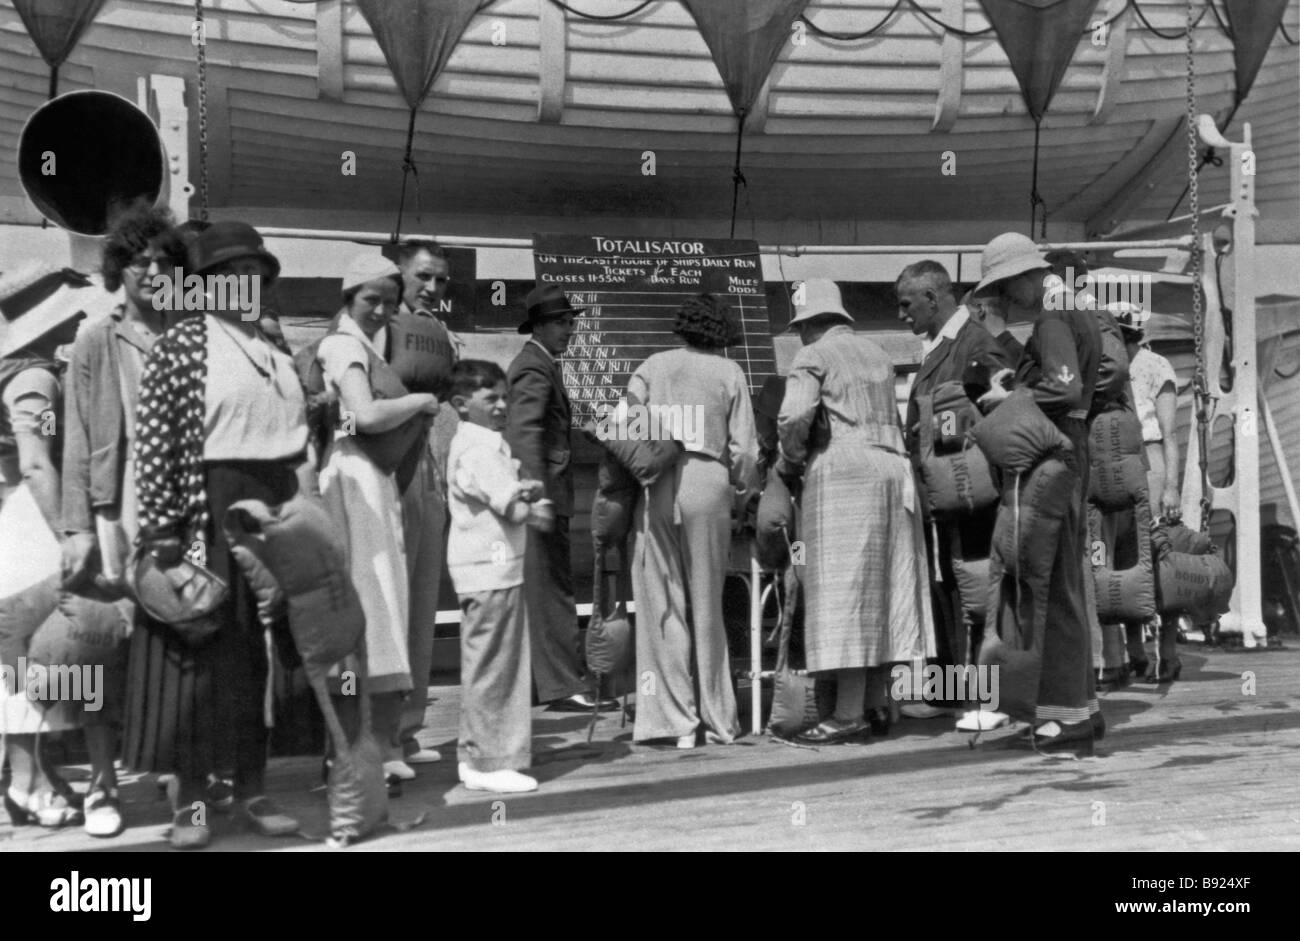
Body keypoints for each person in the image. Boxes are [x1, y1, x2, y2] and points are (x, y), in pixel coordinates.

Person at [131, 221, 311, 848]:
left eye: (258, 276)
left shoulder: (274, 351)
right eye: (235, 275)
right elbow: (154, 446)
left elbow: (294, 450)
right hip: (203, 512)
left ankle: (254, 790)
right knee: (201, 658)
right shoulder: (181, 344)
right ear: (206, 285)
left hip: (268, 515)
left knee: (260, 657)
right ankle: (193, 805)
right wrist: (163, 543)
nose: (248, 286)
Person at [60, 207, 198, 837]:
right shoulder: (95, 337)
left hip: (181, 509)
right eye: (139, 259)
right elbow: (77, 437)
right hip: (117, 509)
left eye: (164, 260)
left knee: (179, 641)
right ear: (120, 268)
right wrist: (78, 528)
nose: (151, 269)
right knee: (100, 642)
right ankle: (102, 783)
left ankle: (178, 778)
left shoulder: (194, 332)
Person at [778, 280, 933, 745]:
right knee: (885, 588)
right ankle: (875, 704)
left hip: (843, 467)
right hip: (893, 467)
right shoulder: (879, 355)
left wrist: (791, 458)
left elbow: (793, 416)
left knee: (844, 594)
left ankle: (846, 715)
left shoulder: (812, 356)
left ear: (808, 325)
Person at [973, 233, 1104, 753]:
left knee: (1047, 582)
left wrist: (1011, 394)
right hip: (1075, 443)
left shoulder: (1051, 316)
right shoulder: (1075, 308)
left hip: (1054, 450)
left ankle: (1065, 713)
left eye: (1006, 287)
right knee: (1067, 579)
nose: (1008, 299)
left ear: (1025, 275)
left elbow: (1064, 388)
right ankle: (1081, 707)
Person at [315, 254, 440, 789]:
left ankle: (381, 742)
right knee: (371, 604)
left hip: (371, 475)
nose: (381, 311)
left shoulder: (364, 344)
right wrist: (421, 401)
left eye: (389, 303)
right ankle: (357, 748)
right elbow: (364, 415)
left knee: (385, 605)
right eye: (371, 300)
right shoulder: (342, 346)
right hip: (351, 479)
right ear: (348, 299)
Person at [0, 264, 113, 832]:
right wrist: (69, 532)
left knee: (18, 662)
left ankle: (30, 776)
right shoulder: (35, 380)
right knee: (29, 662)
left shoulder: (17, 372)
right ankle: (27, 781)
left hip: (12, 516)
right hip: (27, 523)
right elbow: (36, 461)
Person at [627, 294, 758, 747]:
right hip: (709, 477)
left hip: (658, 480)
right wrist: (743, 493)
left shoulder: (653, 365)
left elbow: (625, 419)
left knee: (662, 602)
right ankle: (719, 719)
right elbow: (743, 451)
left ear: (681, 327)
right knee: (708, 605)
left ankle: (674, 721)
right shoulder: (729, 372)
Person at [898, 264, 1009, 731]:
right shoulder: (942, 346)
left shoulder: (977, 344)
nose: (902, 315)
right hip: (945, 497)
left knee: (978, 588)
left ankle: (989, 699)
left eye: (907, 304)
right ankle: (950, 694)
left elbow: (999, 413)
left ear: (932, 296)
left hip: (974, 497)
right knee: (947, 587)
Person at [506, 285, 615, 713]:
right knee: (552, 592)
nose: (569, 330)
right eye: (561, 322)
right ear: (539, 326)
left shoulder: (542, 364)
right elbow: (523, 433)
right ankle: (564, 686)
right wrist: (537, 495)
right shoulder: (534, 367)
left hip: (546, 493)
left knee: (545, 590)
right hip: (544, 497)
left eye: (572, 322)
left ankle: (547, 683)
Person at [446, 359, 550, 792]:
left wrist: (523, 490)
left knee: (486, 662)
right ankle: (491, 762)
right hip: (491, 571)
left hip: (488, 568)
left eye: (505, 397)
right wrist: (534, 509)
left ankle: (475, 755)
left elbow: (500, 491)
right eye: (490, 398)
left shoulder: (486, 444)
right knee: (497, 667)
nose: (502, 405)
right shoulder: (478, 447)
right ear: (461, 404)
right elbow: (511, 505)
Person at [389, 240, 461, 768]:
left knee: (421, 608)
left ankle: (408, 730)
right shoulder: (377, 322)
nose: (433, 289)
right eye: (423, 277)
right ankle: (380, 737)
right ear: (398, 274)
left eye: (440, 280)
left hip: (432, 477)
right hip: (390, 475)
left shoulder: (443, 335)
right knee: (388, 606)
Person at [1112, 302, 1183, 683]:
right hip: (1116, 464)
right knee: (1124, 555)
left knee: (1159, 553)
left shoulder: (1156, 367)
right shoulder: (1105, 367)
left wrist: (1172, 486)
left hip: (1151, 460)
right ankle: (1135, 649)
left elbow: (1170, 434)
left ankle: (1168, 649)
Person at [967, 289, 1023, 365]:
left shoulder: (985, 357)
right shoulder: (1021, 352)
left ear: (981, 310)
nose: (968, 318)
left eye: (968, 311)